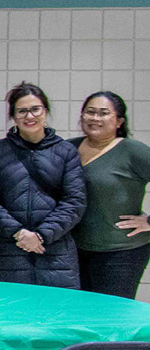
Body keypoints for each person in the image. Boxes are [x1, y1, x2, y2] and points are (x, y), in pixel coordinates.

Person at [0, 82, 86, 289]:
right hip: (6, 250)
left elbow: (74, 202)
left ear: (45, 111)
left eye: (35, 109)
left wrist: (42, 235)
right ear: (13, 116)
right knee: (8, 313)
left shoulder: (66, 151)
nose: (29, 116)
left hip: (55, 251)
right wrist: (18, 233)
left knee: (54, 313)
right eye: (22, 111)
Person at [70, 91, 150, 298]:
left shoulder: (133, 151)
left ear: (119, 121)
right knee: (79, 314)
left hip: (121, 252)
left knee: (110, 317)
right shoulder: (67, 148)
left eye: (103, 113)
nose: (95, 118)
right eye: (90, 112)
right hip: (73, 249)